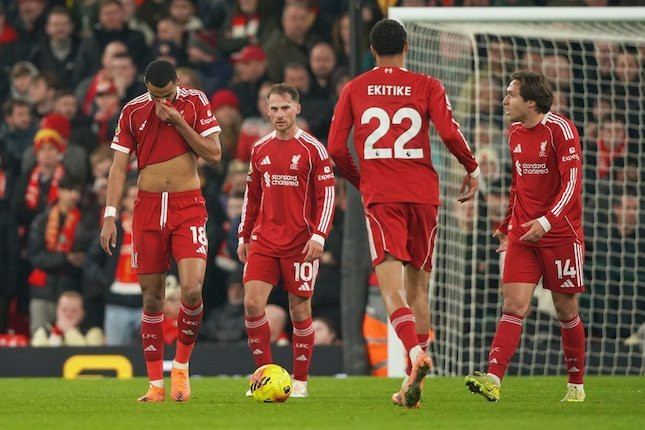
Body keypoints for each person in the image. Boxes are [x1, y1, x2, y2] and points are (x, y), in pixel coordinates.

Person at [327, 19, 479, 408]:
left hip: (384, 196)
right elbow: (449, 133)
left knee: (390, 287)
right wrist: (471, 167)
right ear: (407, 46)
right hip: (424, 195)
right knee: (419, 290)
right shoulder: (428, 85)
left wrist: (362, 180)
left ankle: (414, 353)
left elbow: (336, 149)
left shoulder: (355, 88)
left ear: (372, 50)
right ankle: (415, 384)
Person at [100, 59, 222, 402]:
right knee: (152, 298)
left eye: (167, 95)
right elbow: (118, 167)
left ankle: (181, 367)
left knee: (192, 290)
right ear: (146, 86)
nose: (161, 102)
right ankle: (155, 384)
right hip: (148, 208)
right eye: (155, 96)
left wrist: (180, 122)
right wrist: (110, 215)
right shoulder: (132, 111)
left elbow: (214, 153)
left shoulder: (195, 102)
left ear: (178, 82)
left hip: (188, 206)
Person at [464, 70, 586, 403]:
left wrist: (546, 222)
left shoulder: (561, 130)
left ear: (531, 102)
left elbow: (571, 184)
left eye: (511, 94)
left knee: (566, 310)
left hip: (560, 234)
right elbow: (518, 185)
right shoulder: (515, 132)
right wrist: (507, 225)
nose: (505, 100)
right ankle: (493, 379)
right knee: (513, 305)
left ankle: (576, 386)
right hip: (523, 234)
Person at [237, 83, 335, 398]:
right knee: (252, 304)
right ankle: (263, 376)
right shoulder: (259, 149)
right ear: (267, 111)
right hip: (264, 240)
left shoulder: (313, 149)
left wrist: (319, 235)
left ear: (297, 108)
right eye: (274, 109)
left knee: (300, 310)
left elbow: (327, 196)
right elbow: (252, 196)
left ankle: (301, 381)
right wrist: (244, 234)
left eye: (285, 108)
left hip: (300, 243)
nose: (279, 114)